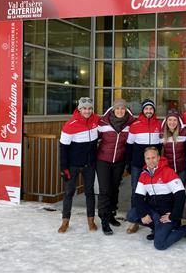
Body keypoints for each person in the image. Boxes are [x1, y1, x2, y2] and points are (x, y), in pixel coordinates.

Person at [128, 147, 186, 250]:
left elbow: (181, 196)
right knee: (131, 215)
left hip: (167, 214)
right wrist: (143, 214)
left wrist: (174, 215)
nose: (151, 161)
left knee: (160, 245)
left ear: (159, 157)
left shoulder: (168, 172)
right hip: (154, 212)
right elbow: (138, 197)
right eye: (148, 158)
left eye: (153, 157)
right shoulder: (144, 174)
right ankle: (156, 228)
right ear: (145, 159)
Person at [58, 97, 100, 233]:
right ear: (79, 109)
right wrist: (64, 168)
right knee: (69, 192)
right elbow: (63, 147)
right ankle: (65, 221)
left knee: (89, 193)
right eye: (84, 108)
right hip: (73, 165)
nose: (87, 111)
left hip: (89, 164)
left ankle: (91, 221)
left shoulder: (96, 120)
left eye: (90, 108)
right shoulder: (71, 124)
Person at [96, 98, 135, 235]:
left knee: (114, 188)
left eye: (122, 108)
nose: (120, 111)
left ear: (126, 109)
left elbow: (132, 143)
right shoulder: (103, 122)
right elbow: (94, 137)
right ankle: (104, 219)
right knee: (105, 190)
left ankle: (112, 214)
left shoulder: (131, 123)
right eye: (117, 108)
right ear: (113, 109)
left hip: (119, 160)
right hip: (103, 160)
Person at [126, 99, 162, 234]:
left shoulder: (158, 124)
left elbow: (160, 147)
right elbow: (129, 146)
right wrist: (128, 164)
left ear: (153, 110)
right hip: (137, 165)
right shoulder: (135, 125)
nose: (148, 111)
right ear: (143, 110)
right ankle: (135, 221)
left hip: (152, 165)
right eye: (146, 109)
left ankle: (153, 220)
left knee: (152, 192)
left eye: (151, 109)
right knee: (137, 192)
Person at [160, 109, 186, 186]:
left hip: (181, 169)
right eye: (170, 120)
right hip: (168, 170)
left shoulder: (184, 133)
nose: (172, 122)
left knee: (181, 192)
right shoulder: (162, 134)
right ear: (166, 121)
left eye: (175, 120)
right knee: (169, 193)